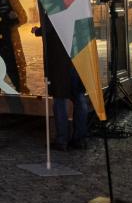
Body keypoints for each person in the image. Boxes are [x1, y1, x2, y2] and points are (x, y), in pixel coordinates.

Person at [34, 16, 91, 151]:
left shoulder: (57, 6)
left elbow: (48, 28)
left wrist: (37, 31)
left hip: (60, 59)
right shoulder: (78, 4)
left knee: (60, 98)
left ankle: (62, 140)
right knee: (79, 96)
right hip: (78, 55)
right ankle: (80, 139)